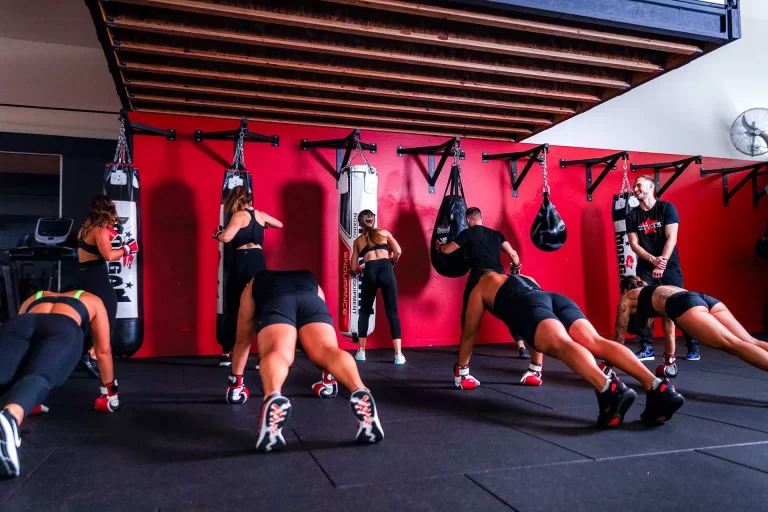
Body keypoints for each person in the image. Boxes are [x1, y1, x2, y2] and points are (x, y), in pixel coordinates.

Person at [456, 271, 685, 427]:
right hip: (554, 298)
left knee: (564, 345)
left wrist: (462, 369)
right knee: (595, 341)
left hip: (526, 305)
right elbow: (541, 320)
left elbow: (469, 333)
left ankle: (608, 389)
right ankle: (657, 388)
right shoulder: (523, 276)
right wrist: (536, 368)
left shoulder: (481, 286)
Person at [226, 269, 384, 452]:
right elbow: (325, 331)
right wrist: (328, 381)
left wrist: (235, 383)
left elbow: (243, 335)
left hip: (278, 302)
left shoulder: (255, 282)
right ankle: (359, 388)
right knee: (327, 349)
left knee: (278, 351)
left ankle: (273, 396)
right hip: (310, 299)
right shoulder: (310, 278)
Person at [0, 289, 120, 478]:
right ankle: (10, 417)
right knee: (41, 375)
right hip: (63, 327)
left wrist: (32, 400)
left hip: (18, 325)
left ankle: (10, 415)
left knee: (4, 378)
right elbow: (103, 351)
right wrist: (110, 392)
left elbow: (26, 355)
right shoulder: (94, 300)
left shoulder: (34, 296)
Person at [614, 275, 768, 377]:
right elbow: (670, 332)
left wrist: (609, 366)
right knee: (749, 341)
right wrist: (669, 362)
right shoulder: (657, 292)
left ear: (625, 290)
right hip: (703, 298)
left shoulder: (627, 297)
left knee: (733, 344)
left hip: (686, 305)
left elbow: (618, 338)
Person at [438, 207, 531, 359]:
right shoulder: (497, 234)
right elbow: (514, 255)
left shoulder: (468, 232)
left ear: (468, 220)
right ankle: (521, 348)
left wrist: (439, 246)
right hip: (499, 277)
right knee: (510, 312)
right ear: (480, 218)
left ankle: (466, 348)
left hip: (479, 277)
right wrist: (516, 267)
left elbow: (448, 250)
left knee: (468, 311)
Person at [626, 175, 700, 362]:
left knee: (682, 304)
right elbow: (634, 244)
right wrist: (652, 260)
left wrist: (663, 262)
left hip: (669, 265)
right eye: (634, 186)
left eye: (639, 185)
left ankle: (692, 344)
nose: (635, 189)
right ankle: (646, 346)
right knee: (641, 302)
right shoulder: (632, 215)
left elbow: (672, 238)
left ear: (651, 186)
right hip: (645, 264)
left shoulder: (667, 208)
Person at [213, 186, 283, 367]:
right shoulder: (260, 215)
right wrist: (263, 224)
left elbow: (227, 238)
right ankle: (262, 356)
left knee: (234, 304)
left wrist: (217, 234)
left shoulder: (239, 216)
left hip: (242, 260)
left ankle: (226, 354)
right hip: (258, 261)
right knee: (260, 306)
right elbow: (279, 224)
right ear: (251, 201)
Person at [75, 195, 138, 379]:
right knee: (108, 314)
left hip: (83, 276)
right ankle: (93, 355)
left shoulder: (84, 228)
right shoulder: (100, 230)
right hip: (96, 277)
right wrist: (127, 249)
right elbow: (109, 256)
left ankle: (85, 353)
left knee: (88, 316)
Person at [349, 209, 404, 364]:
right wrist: (392, 260)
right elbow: (398, 251)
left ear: (360, 223)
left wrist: (358, 270)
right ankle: (398, 355)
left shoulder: (358, 241)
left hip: (370, 273)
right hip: (386, 271)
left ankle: (361, 352)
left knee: (365, 312)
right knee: (392, 312)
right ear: (373, 220)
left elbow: (353, 267)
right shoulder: (384, 233)